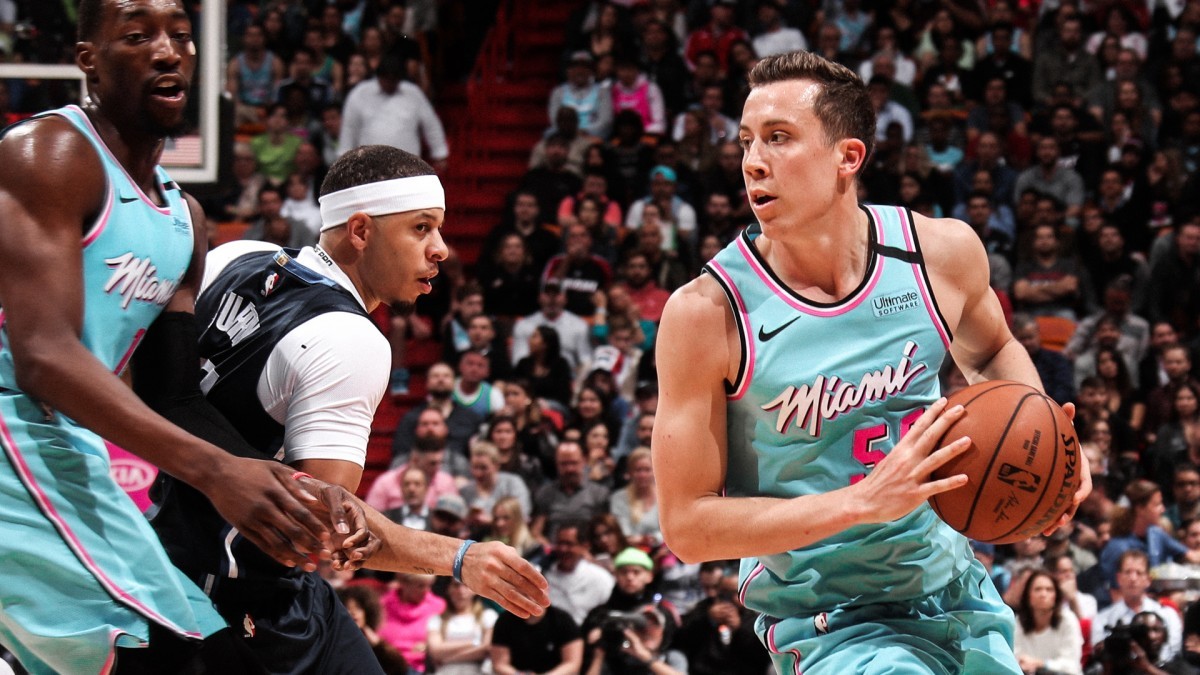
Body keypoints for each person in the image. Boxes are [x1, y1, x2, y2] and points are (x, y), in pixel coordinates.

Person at [653, 50, 1091, 675]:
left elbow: (993, 349)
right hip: (830, 618)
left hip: (957, 590)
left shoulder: (938, 254)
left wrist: (1052, 443)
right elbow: (687, 525)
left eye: (779, 137)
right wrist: (862, 502)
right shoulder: (707, 314)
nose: (753, 161)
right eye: (747, 140)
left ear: (848, 157)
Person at [0, 1, 369, 671]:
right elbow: (43, 357)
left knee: (203, 649)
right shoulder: (50, 153)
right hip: (11, 433)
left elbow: (172, 395)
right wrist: (216, 471)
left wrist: (280, 484)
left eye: (179, 35)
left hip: (67, 451)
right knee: (167, 654)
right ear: (88, 61)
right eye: (136, 35)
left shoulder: (184, 218)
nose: (166, 50)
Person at [159, 145, 551, 673]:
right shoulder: (351, 339)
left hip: (173, 557)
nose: (440, 249)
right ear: (361, 230)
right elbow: (322, 526)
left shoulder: (241, 255)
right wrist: (460, 558)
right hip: (239, 601)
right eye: (421, 228)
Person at [337, 52, 448, 172]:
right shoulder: (360, 93)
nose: (389, 83)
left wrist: (440, 152)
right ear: (379, 77)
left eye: (393, 79)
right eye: (386, 79)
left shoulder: (413, 93)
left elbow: (431, 125)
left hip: (407, 165)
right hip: (370, 167)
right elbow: (349, 128)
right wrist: (343, 158)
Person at [1012, 569, 1084, 675]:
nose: (1043, 594)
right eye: (1038, 589)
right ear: (1028, 596)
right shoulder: (1019, 622)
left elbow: (1072, 664)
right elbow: (1015, 657)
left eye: (1049, 589)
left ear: (1056, 596)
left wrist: (1041, 664)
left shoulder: (1068, 619)